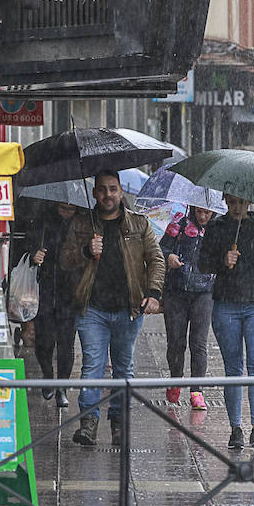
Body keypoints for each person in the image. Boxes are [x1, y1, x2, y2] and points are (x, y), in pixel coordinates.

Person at [60, 172, 165, 446]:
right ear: (94, 193)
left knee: (123, 368)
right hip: (92, 308)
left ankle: (119, 422)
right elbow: (64, 261)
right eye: (103, 190)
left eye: (113, 189)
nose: (108, 195)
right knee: (92, 365)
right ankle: (88, 424)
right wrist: (85, 250)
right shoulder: (82, 224)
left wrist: (153, 293)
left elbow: (156, 259)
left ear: (121, 192)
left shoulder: (139, 225)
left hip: (128, 309)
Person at [199, 195, 254, 450]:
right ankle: (235, 428)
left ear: (249, 201)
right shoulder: (216, 227)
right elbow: (203, 263)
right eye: (232, 201)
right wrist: (222, 261)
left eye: (241, 202)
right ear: (225, 200)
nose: (236, 207)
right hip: (226, 305)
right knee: (233, 368)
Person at [159, 206, 216, 411]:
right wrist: (169, 257)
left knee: (199, 342)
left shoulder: (219, 228)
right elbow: (162, 248)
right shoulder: (179, 223)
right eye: (199, 212)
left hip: (205, 292)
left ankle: (196, 390)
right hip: (176, 291)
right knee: (175, 340)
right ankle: (176, 379)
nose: (202, 217)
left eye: (207, 213)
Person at [27, 202, 78, 408]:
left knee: (66, 344)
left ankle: (62, 387)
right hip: (44, 291)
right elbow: (24, 247)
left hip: (70, 293)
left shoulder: (81, 225)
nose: (66, 212)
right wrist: (33, 255)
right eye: (63, 208)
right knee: (44, 341)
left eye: (71, 209)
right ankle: (48, 377)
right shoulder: (43, 221)